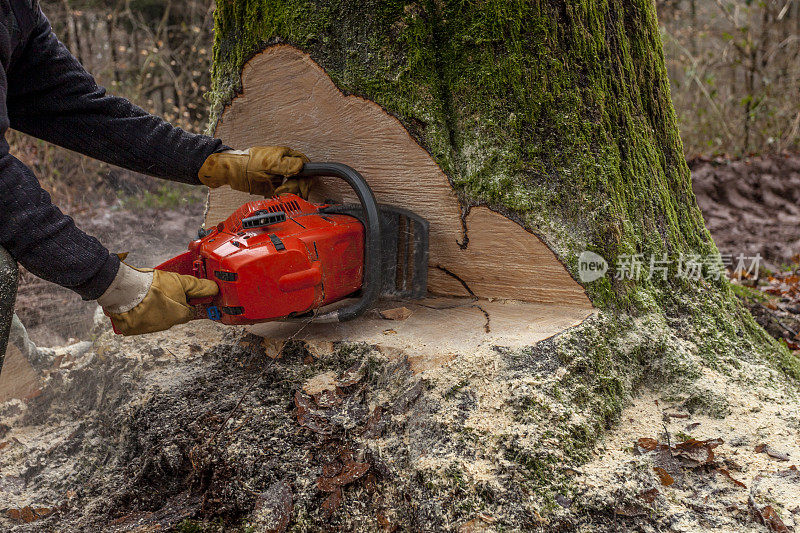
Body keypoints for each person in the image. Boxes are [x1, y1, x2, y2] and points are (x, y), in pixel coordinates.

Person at [0, 0, 311, 370]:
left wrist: (211, 161)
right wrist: (111, 282)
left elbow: (81, 110)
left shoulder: (17, 10)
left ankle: (15, 366)